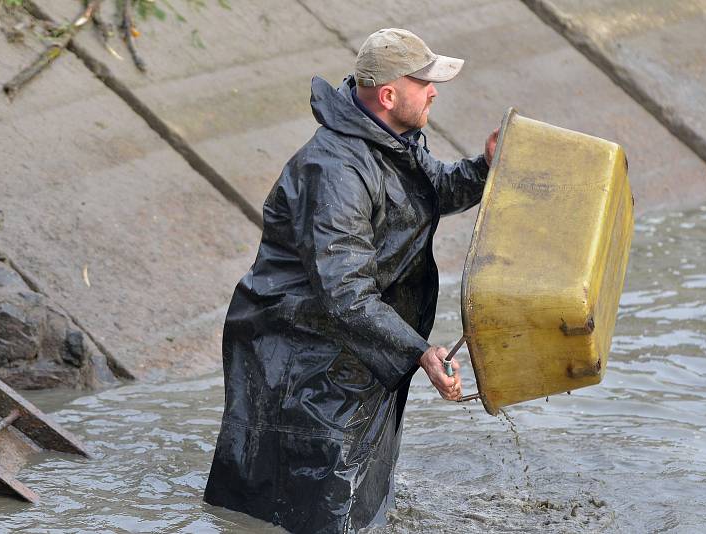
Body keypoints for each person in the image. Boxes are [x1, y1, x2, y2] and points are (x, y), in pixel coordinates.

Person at [204, 28, 498, 533]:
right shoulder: (336, 171)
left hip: (352, 347)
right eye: (425, 82)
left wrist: (485, 165)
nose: (434, 91)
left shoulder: (389, 140)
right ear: (388, 95)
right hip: (299, 355)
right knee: (308, 506)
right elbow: (345, 293)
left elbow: (436, 189)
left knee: (351, 503)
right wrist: (420, 352)